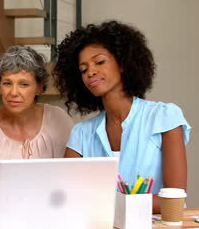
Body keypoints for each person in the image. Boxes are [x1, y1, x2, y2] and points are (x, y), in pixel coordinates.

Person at [52, 20, 191, 213]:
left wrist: (104, 203)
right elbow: (65, 196)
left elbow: (174, 199)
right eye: (83, 69)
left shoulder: (164, 117)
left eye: (99, 62)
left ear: (123, 64)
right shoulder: (82, 134)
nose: (90, 72)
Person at [0, 45, 74, 210]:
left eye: (24, 84)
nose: (13, 92)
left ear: (40, 87)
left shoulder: (59, 120)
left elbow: (73, 185)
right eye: (7, 83)